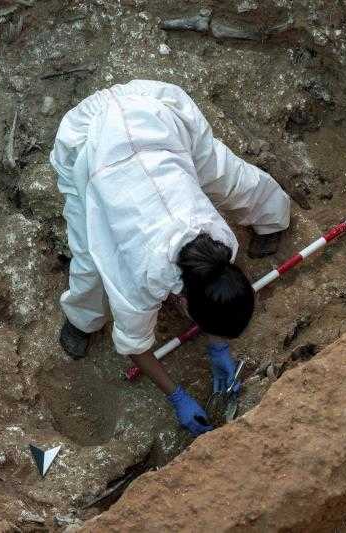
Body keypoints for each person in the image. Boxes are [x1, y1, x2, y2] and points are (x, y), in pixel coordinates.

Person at [49, 80, 290, 436]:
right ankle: (82, 318)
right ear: (188, 308)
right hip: (90, 149)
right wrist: (176, 395)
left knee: (225, 175)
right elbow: (134, 345)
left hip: (160, 122)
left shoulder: (221, 244)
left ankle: (272, 214)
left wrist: (218, 345)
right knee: (89, 263)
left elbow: (211, 301)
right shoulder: (142, 274)